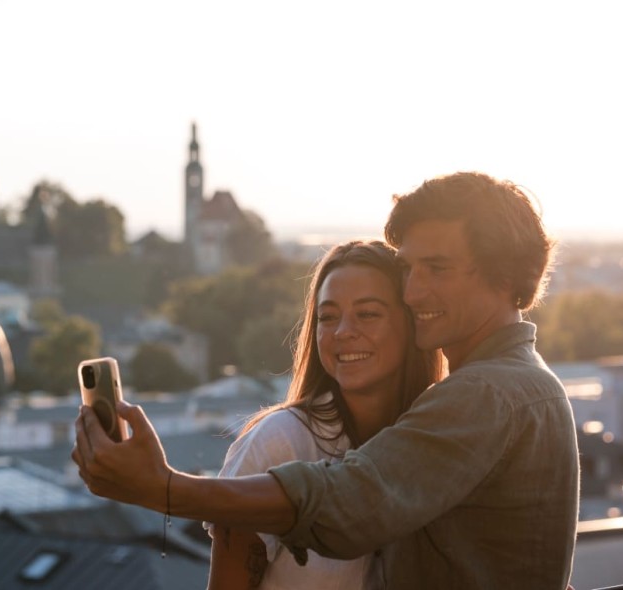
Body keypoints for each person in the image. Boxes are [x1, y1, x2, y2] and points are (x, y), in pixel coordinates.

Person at [73, 171, 580, 589]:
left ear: (508, 277)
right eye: (408, 269)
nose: (414, 290)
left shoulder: (489, 394)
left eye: (438, 268)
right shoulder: (525, 387)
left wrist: (164, 489)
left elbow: (350, 500)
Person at [205, 240, 444, 589]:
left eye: (367, 313)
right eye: (328, 317)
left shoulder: (440, 443)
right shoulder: (278, 442)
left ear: (410, 323)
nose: (343, 331)